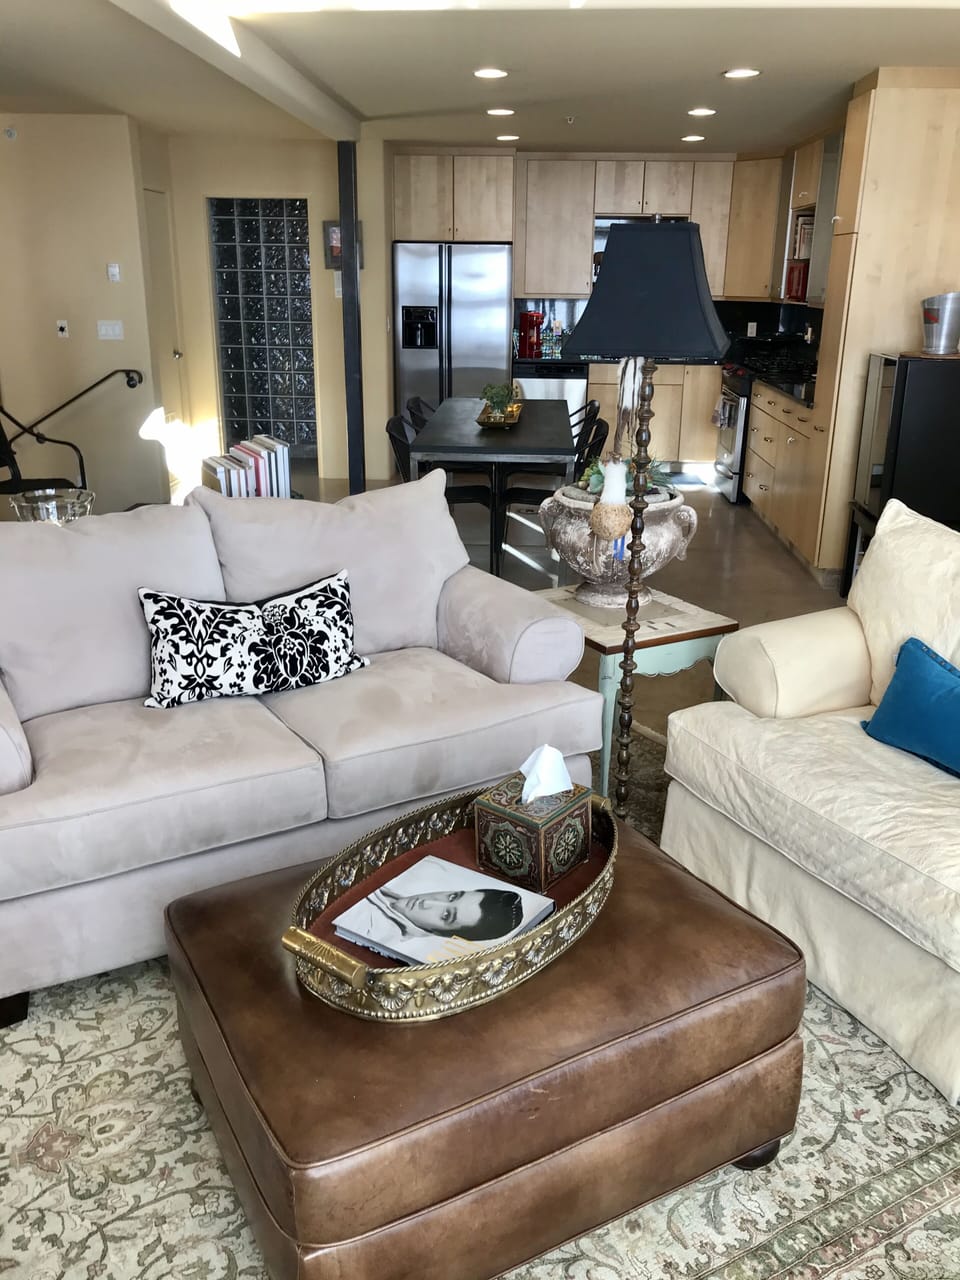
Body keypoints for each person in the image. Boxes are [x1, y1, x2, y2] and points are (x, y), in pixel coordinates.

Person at [367, 886, 522, 944]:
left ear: (440, 933)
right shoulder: (393, 896)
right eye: (452, 897)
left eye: (446, 915)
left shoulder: (371, 927)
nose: (426, 903)